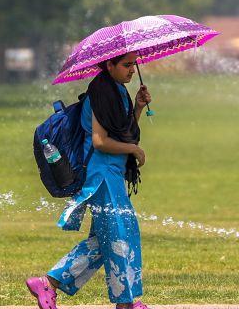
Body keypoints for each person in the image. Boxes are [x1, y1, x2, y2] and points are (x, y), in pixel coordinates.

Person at [26, 53, 152, 309]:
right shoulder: (100, 94)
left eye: (133, 65)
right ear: (110, 65)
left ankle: (48, 283)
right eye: (126, 65)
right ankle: (125, 304)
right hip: (101, 176)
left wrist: (137, 107)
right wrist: (134, 151)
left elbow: (123, 133)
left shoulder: (118, 92)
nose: (131, 70)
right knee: (120, 235)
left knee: (104, 240)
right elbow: (100, 141)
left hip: (112, 174)